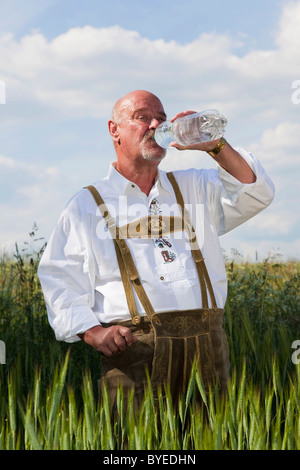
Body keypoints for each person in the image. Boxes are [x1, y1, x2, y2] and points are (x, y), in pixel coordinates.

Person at [38, 90, 275, 406]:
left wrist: (215, 146)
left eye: (161, 119)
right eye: (142, 117)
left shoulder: (193, 186)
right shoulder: (88, 204)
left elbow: (255, 192)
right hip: (134, 354)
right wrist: (92, 331)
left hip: (209, 350)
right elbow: (59, 279)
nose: (155, 125)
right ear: (114, 129)